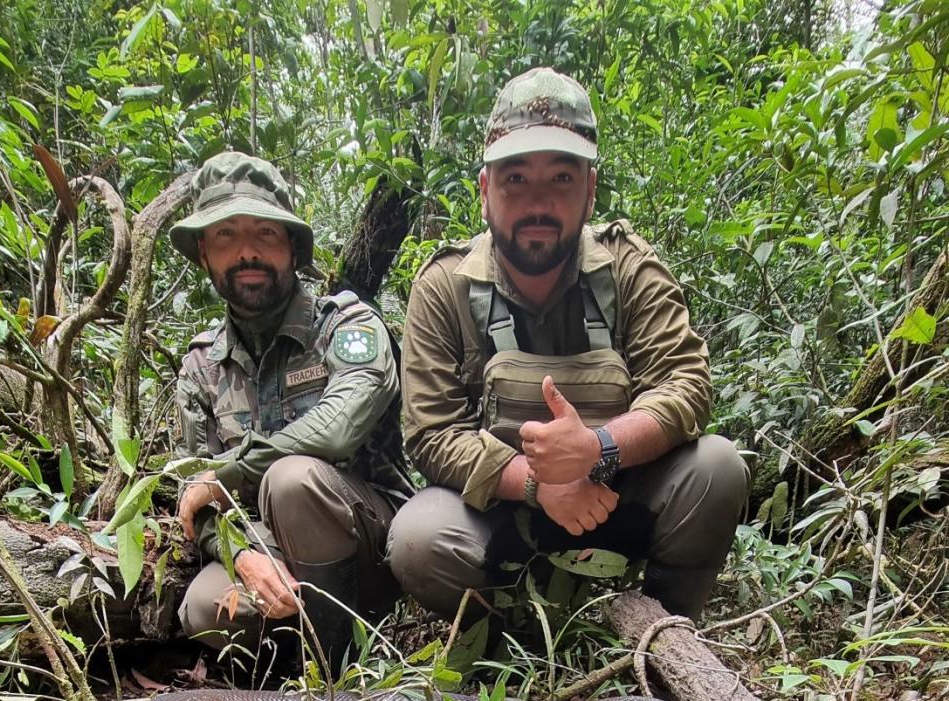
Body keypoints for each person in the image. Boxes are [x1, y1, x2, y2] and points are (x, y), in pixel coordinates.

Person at [388, 67, 748, 623]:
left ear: (590, 191)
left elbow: (686, 383)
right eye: (515, 179)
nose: (539, 202)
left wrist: (598, 448)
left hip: (615, 500)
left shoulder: (626, 264)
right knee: (418, 536)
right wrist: (538, 484)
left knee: (717, 467)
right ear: (485, 192)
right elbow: (432, 434)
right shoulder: (445, 284)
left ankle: (665, 633)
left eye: (561, 178)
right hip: (499, 516)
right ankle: (510, 644)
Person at [169, 151, 412, 670]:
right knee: (206, 608)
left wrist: (233, 470)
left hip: (373, 544)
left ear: (293, 249)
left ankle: (340, 669)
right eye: (225, 237)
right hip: (273, 547)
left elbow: (341, 426)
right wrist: (241, 555)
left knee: (291, 479)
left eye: (265, 235)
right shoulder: (200, 365)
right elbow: (195, 495)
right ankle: (294, 659)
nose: (247, 253)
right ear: (204, 256)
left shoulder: (345, 326)